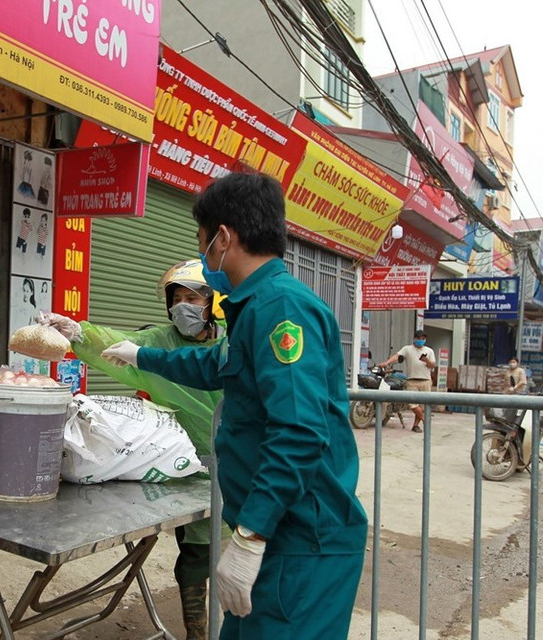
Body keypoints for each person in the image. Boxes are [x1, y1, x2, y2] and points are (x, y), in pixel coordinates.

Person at [99, 172, 367, 640]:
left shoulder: (282, 310)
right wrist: (141, 355)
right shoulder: (254, 307)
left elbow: (300, 432)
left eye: (202, 243)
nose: (204, 257)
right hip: (275, 529)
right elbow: (214, 365)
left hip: (300, 538)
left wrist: (250, 536)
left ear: (223, 238)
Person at [42, 259, 225, 640]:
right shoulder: (159, 343)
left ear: (213, 303)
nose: (183, 307)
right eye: (176, 299)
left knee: (247, 557)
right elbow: (118, 343)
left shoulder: (232, 343)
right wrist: (79, 333)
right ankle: (198, 634)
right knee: (195, 559)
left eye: (193, 297)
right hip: (186, 471)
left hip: (242, 466)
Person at [380, 329, 436, 432]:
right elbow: (397, 356)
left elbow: (433, 366)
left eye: (423, 339)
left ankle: (415, 425)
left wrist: (426, 360)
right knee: (412, 404)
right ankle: (425, 419)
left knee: (422, 406)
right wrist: (386, 363)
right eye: (419, 338)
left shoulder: (429, 351)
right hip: (412, 380)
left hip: (426, 380)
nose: (420, 340)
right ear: (414, 338)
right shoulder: (407, 349)